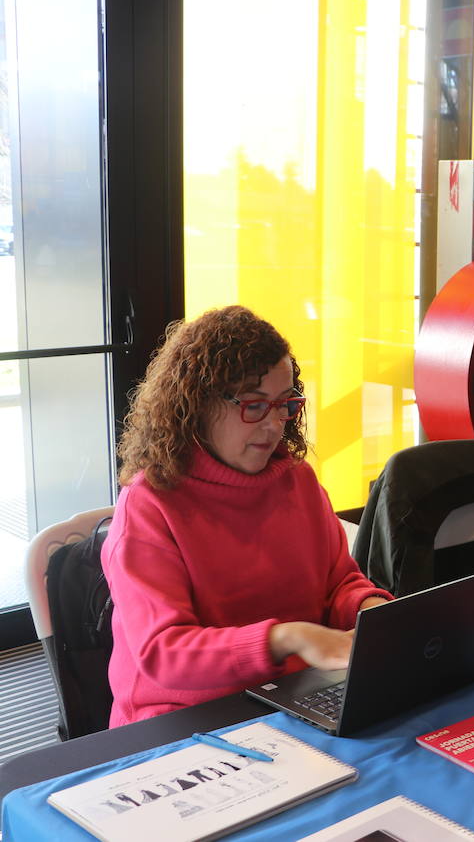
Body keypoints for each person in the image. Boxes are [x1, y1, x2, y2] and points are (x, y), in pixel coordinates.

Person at [103, 306, 392, 726]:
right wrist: (285, 637)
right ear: (199, 404)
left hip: (289, 697)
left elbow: (339, 583)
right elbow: (162, 653)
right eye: (254, 405)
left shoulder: (298, 482)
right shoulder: (150, 505)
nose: (275, 424)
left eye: (284, 404)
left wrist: (370, 611)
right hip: (183, 717)